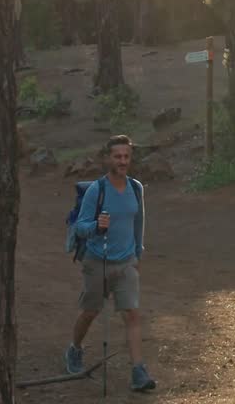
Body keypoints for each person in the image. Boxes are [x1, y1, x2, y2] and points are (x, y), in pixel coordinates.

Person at [64, 134, 155, 392]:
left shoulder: (136, 188)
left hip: (126, 262)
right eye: (117, 156)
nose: (122, 161)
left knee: (132, 314)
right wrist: (97, 225)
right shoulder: (97, 190)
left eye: (126, 156)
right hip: (97, 261)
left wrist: (137, 253)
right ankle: (74, 349)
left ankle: (138, 371)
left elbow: (139, 223)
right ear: (108, 158)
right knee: (90, 312)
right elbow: (81, 227)